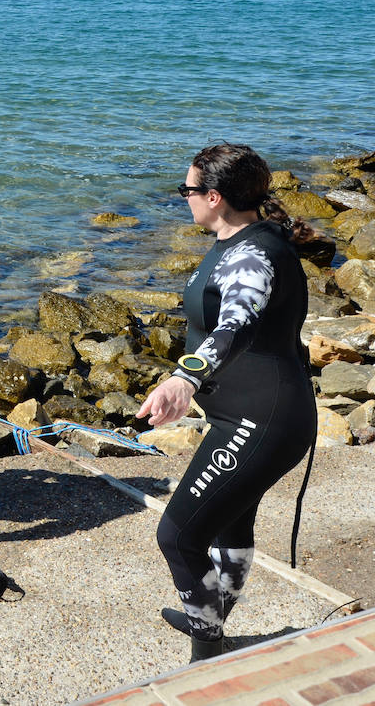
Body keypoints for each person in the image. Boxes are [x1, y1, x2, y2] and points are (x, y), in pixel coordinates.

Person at [137, 143, 317, 663]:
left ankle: (207, 652)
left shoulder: (254, 256)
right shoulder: (236, 238)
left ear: (214, 197)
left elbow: (234, 324)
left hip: (263, 418)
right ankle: (209, 614)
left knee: (178, 536)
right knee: (230, 523)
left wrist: (184, 380)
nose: (184, 198)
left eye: (188, 190)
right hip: (250, 414)